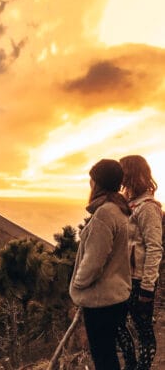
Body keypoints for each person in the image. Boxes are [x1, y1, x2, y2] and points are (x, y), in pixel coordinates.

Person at [71, 159, 132, 369]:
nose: (90, 184)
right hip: (116, 297)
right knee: (109, 356)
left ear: (98, 183)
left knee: (104, 358)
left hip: (101, 301)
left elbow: (94, 261)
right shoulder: (119, 209)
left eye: (92, 180)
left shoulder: (105, 213)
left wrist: (78, 284)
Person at [115, 155, 163, 370]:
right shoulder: (129, 205)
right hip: (123, 278)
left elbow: (154, 248)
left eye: (123, 172)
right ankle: (131, 365)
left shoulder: (148, 208)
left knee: (143, 330)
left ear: (132, 173)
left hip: (139, 280)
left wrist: (147, 287)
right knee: (116, 324)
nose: (120, 177)